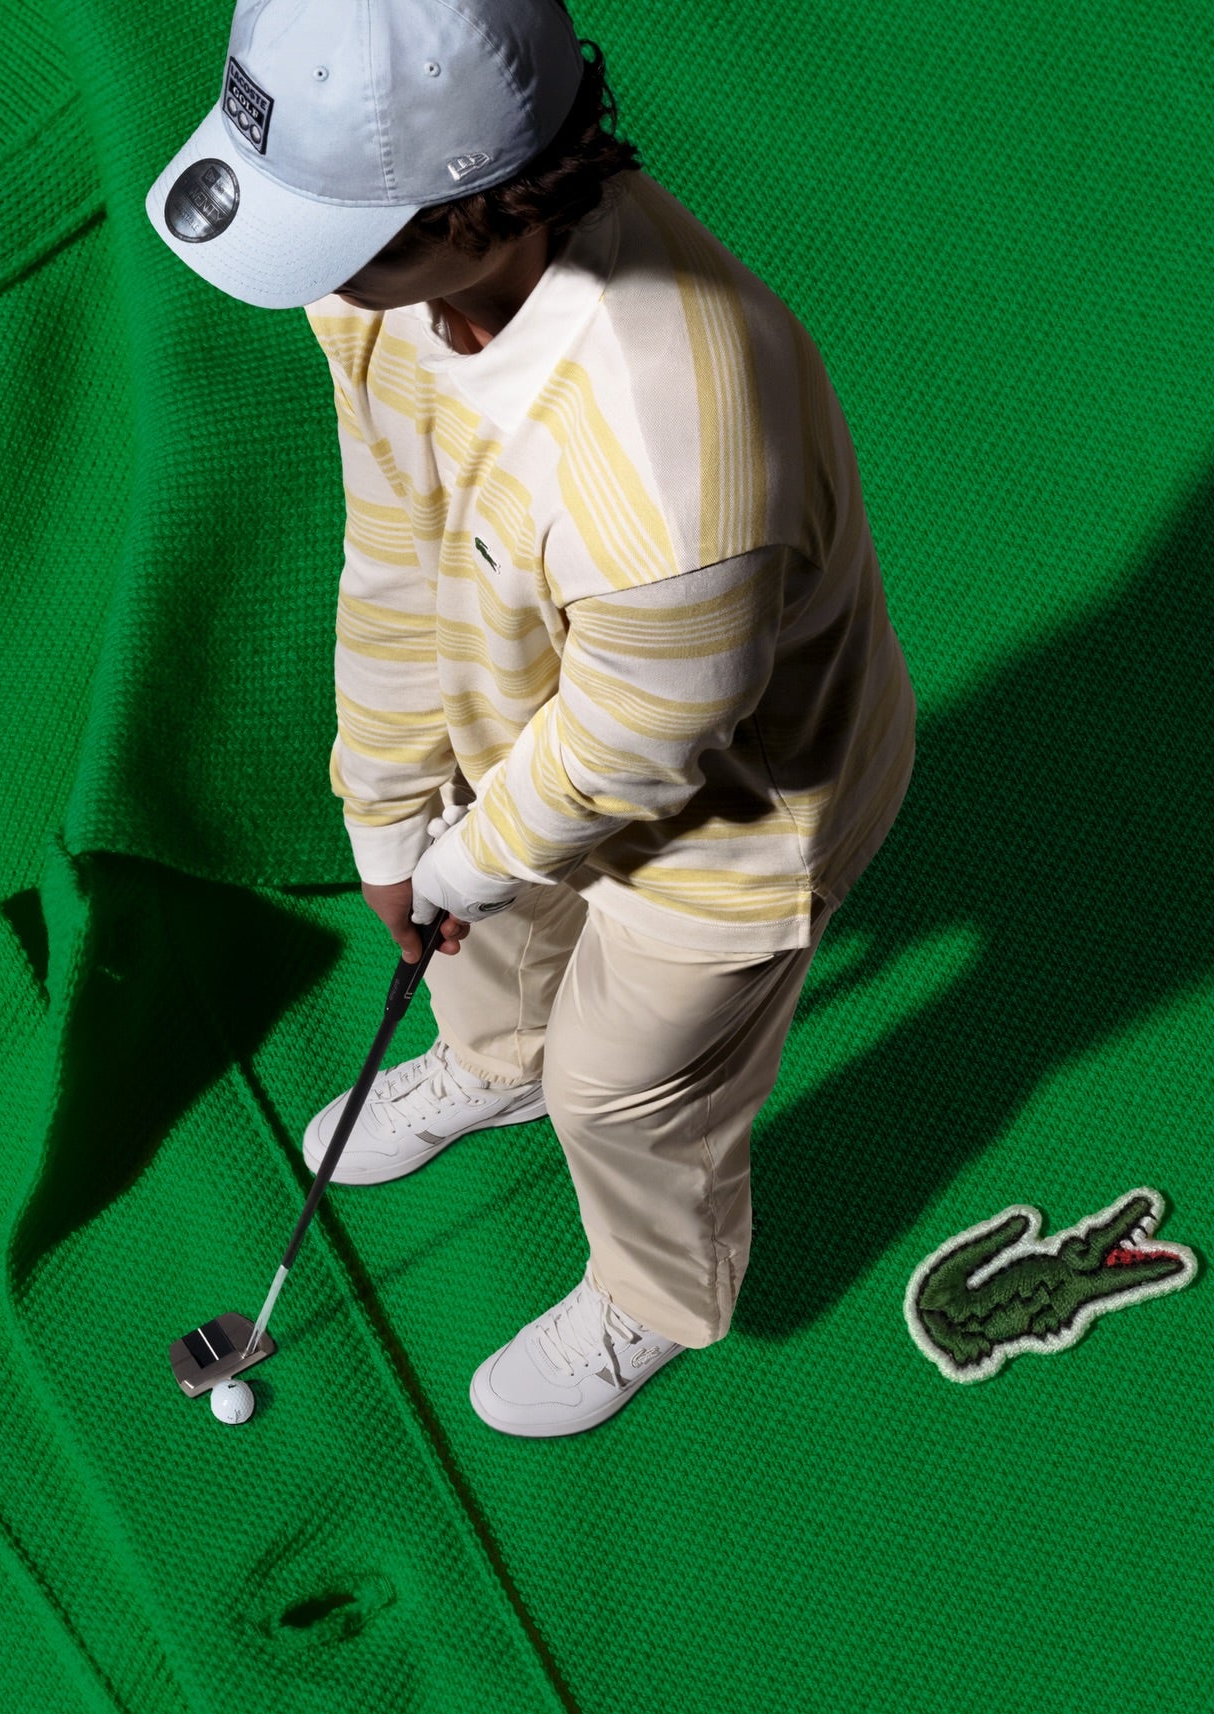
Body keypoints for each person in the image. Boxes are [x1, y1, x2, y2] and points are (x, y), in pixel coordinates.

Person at [146, 0, 917, 1438]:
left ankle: (658, 1291)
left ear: (481, 208)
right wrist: (390, 813)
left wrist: (460, 864)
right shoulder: (374, 289)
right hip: (510, 729)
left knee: (623, 1092)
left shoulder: (670, 448)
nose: (323, 275)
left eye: (345, 237)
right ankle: (494, 1067)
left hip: (731, 826)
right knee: (482, 949)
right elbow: (392, 541)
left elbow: (637, 746)